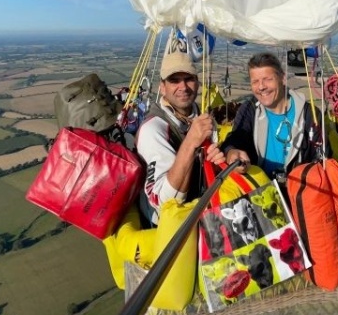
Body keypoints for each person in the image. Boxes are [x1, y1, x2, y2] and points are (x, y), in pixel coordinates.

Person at [136, 51, 224, 225]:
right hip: (165, 230)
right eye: (174, 80)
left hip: (201, 215)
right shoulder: (153, 129)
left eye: (188, 79)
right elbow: (164, 203)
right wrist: (190, 143)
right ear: (162, 87)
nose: (183, 87)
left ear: (197, 83)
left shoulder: (201, 119)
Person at [222, 52, 322, 180]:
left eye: (268, 79)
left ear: (282, 78)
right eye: (255, 82)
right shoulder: (249, 110)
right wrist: (231, 151)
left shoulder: (309, 114)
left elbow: (321, 158)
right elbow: (235, 139)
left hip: (300, 192)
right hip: (261, 192)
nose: (261, 87)